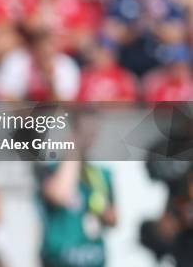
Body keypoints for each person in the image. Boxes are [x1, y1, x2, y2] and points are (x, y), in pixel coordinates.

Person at [36, 109, 117, 267]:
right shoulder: (50, 170)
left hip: (93, 259)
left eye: (93, 132)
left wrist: (101, 209)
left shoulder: (101, 174)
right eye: (84, 132)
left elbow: (114, 218)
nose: (89, 138)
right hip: (59, 261)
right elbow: (59, 195)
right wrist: (74, 149)